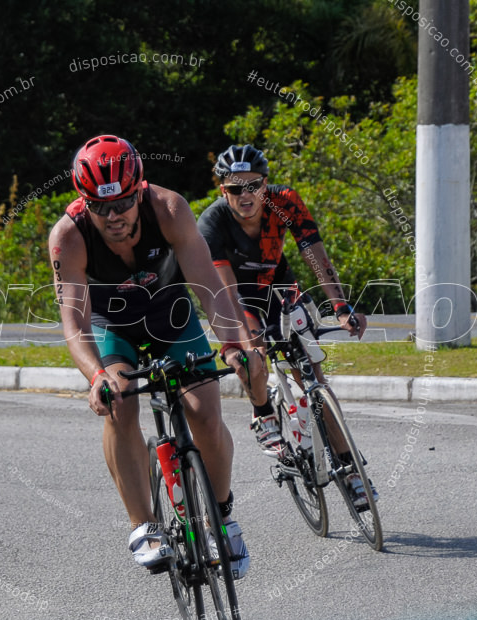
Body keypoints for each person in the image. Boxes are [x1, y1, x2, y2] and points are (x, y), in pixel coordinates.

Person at [47, 135, 265, 577]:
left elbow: (208, 285)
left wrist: (231, 345)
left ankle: (222, 515)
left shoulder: (168, 209)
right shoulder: (68, 236)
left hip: (172, 317)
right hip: (115, 329)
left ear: (139, 189)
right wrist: (96, 378)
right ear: (83, 200)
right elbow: (75, 323)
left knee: (204, 413)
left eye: (124, 202)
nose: (114, 216)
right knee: (119, 401)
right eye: (100, 206)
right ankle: (144, 524)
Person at [197, 143, 377, 508]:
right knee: (253, 360)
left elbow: (315, 255)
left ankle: (352, 469)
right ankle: (263, 412)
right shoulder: (211, 223)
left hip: (279, 286)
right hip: (238, 296)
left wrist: (340, 305)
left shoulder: (286, 202)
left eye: (254, 186)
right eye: (235, 188)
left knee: (312, 377)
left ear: (266, 184)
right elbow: (228, 292)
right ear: (223, 192)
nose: (246, 195)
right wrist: (249, 343)